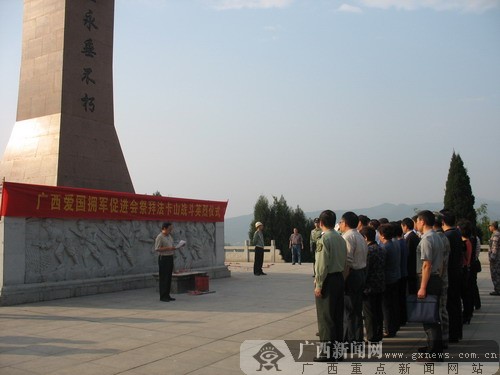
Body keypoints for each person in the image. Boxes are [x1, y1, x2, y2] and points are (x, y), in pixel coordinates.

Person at [313, 210, 347, 362]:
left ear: (320, 223)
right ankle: (338, 352)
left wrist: (319, 284)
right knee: (337, 317)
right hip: (339, 278)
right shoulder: (340, 238)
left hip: (328, 280)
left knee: (326, 318)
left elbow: (321, 266)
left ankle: (327, 353)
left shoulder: (324, 239)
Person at [415, 210, 444, 358]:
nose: (416, 224)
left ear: (422, 222)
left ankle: (434, 351)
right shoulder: (438, 237)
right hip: (436, 278)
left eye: (417, 221)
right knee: (433, 315)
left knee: (429, 317)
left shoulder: (427, 239)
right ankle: (433, 346)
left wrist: (422, 287)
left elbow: (427, 264)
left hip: (429, 279)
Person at [339, 211, 367, 345]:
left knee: (349, 311)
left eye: (340, 222)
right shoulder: (360, 236)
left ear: (345, 223)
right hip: (361, 273)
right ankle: (357, 338)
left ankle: (350, 341)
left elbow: (348, 262)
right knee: (356, 309)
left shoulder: (348, 237)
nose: (340, 224)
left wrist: (342, 280)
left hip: (352, 275)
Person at [440, 209, 463, 343]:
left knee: (450, 305)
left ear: (442, 221)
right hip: (456, 272)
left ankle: (453, 334)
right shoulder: (456, 233)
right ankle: (456, 332)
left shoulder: (447, 236)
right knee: (455, 304)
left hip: (450, 273)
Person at [360, 225, 386, 343]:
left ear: (365, 238)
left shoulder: (368, 251)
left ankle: (371, 336)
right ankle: (378, 334)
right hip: (380, 284)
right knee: (378, 311)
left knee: (369, 313)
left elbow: (366, 270)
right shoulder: (381, 248)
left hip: (369, 286)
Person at [379, 223, 400, 338]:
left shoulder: (385, 247)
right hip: (395, 277)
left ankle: (388, 329)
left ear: (382, 235)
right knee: (392, 305)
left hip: (387, 279)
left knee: (386, 306)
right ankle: (393, 327)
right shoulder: (395, 244)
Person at [155, 222, 183, 302]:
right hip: (163, 258)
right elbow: (157, 249)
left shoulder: (169, 236)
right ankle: (163, 296)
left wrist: (178, 246)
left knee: (169, 277)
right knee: (164, 278)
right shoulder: (160, 237)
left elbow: (172, 245)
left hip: (170, 257)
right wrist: (169, 248)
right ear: (164, 228)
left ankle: (167, 295)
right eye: (169, 229)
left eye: (171, 229)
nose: (170, 230)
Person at [402, 217, 420, 295]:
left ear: (405, 226)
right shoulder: (414, 236)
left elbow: (408, 254)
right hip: (415, 265)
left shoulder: (409, 237)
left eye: (402, 226)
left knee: (411, 289)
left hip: (411, 267)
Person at [488, 221, 500, 295]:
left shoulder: (496, 235)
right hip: (497, 257)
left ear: (493, 226)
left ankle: (498, 290)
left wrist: (492, 258)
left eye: (489, 226)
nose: (489, 228)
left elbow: (494, 247)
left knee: (495, 274)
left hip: (496, 259)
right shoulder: (497, 234)